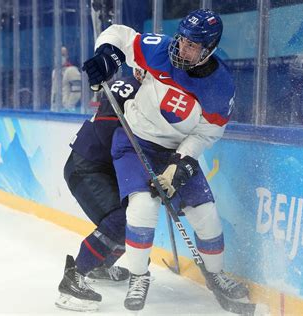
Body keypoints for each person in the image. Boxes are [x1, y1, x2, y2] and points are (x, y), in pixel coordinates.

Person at [82, 8, 249, 312]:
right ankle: (137, 275)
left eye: (191, 45)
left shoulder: (219, 86)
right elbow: (120, 35)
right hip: (136, 142)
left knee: (207, 214)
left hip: (175, 151)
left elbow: (208, 131)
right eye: (182, 39)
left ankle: (216, 274)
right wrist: (106, 55)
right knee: (143, 206)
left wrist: (181, 164)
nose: (181, 48)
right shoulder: (160, 49)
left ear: (208, 50)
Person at [55, 69, 145, 312]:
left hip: (103, 167)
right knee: (121, 220)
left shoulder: (158, 91)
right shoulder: (128, 87)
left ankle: (100, 265)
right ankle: (74, 278)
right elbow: (107, 134)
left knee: (139, 214)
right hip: (86, 166)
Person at [51, 46, 82, 112]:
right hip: (56, 110)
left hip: (69, 111)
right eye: (56, 55)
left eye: (62, 55)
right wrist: (53, 106)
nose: (59, 57)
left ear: (67, 56)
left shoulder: (72, 70)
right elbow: (54, 91)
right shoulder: (55, 72)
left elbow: (77, 91)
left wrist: (68, 106)